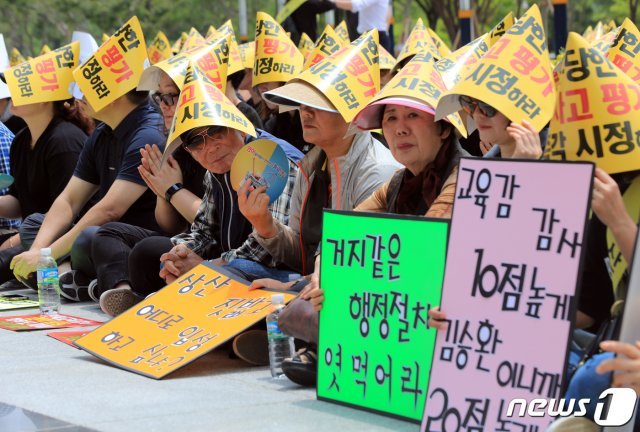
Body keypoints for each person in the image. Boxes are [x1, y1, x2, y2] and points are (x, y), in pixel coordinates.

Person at [280, 96, 466, 385]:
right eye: (391, 118)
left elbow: (423, 254)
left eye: (413, 117)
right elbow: (341, 234)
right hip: (399, 299)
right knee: (302, 304)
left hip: (442, 306)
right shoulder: (397, 182)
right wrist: (322, 275)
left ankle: (333, 349)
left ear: (444, 128)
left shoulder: (464, 176)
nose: (400, 129)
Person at [99, 120, 303, 318]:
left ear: (239, 128)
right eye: (196, 142)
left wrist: (206, 266)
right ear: (188, 151)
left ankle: (172, 305)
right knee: (152, 254)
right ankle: (169, 304)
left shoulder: (274, 160)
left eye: (216, 131)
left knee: (238, 270)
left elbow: (269, 251)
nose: (210, 148)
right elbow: (204, 230)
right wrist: (181, 253)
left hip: (280, 271)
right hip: (230, 262)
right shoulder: (216, 169)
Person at [10, 88, 165, 299]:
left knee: (92, 236)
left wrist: (46, 254)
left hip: (129, 242)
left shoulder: (148, 133)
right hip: (100, 237)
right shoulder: (103, 132)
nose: (78, 98)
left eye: (88, 90)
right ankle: (68, 277)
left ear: (114, 95)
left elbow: (110, 210)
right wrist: (36, 252)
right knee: (34, 224)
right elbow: (69, 200)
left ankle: (79, 278)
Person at [88, 70, 207, 304]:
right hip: (186, 237)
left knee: (147, 251)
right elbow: (169, 224)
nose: (164, 105)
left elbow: (213, 221)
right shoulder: (173, 143)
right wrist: (162, 194)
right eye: (160, 97)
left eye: (171, 96)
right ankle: (123, 293)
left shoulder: (213, 143)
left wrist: (173, 190)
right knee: (106, 233)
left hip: (210, 244)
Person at [0, 94, 91, 284]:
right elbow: (17, 201)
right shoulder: (21, 140)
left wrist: (12, 243)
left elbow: (67, 213)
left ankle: (65, 275)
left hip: (59, 240)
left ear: (44, 98)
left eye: (21, 90)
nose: (12, 95)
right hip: (31, 237)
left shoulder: (65, 141)